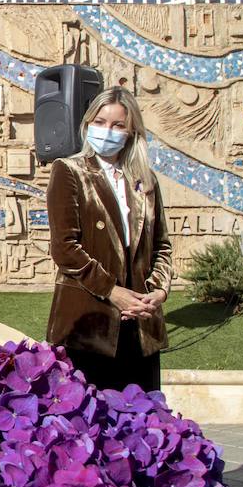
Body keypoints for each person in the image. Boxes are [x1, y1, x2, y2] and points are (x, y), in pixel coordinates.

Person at [46, 87, 172, 391]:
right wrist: (112, 291)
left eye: (117, 125)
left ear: (131, 132)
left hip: (140, 324)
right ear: (88, 124)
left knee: (143, 413)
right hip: (89, 325)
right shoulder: (70, 171)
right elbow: (65, 248)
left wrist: (157, 292)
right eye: (100, 122)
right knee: (90, 413)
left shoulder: (145, 181)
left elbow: (161, 245)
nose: (107, 131)